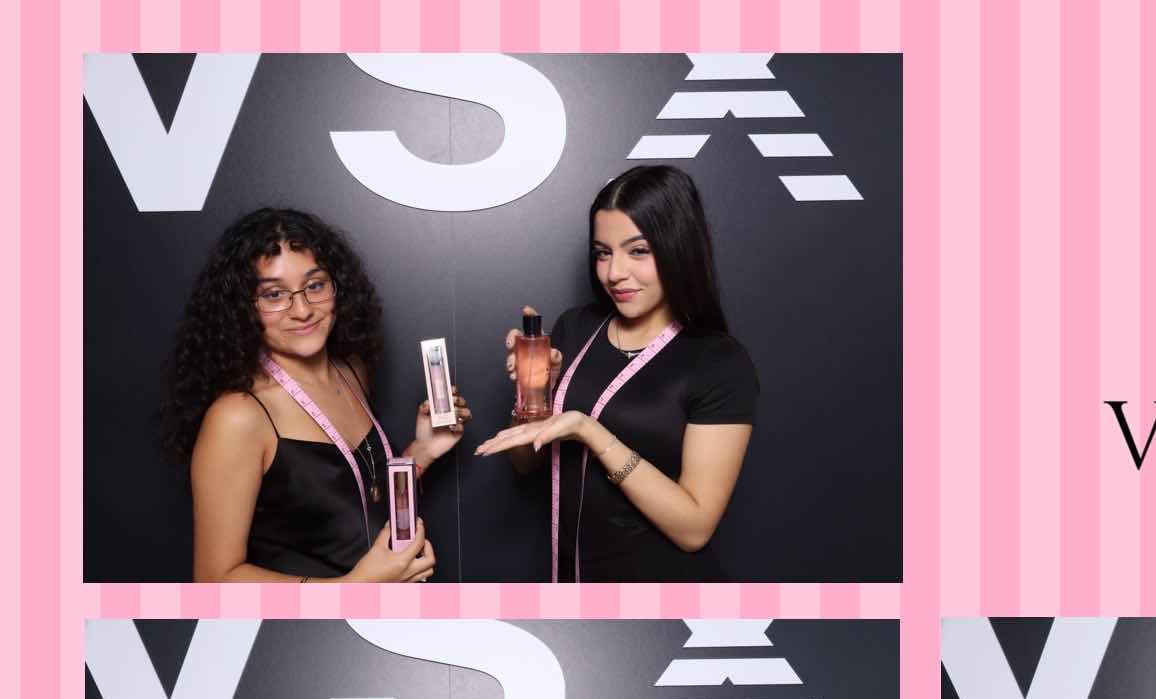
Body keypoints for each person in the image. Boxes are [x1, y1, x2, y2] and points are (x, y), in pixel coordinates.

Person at [474, 166, 757, 582]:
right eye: (603, 252)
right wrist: (531, 395)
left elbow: (694, 529)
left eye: (637, 251)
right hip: (570, 585)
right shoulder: (575, 328)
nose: (613, 273)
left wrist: (592, 433)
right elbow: (525, 464)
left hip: (662, 602)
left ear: (677, 248)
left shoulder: (718, 361)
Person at [164, 208, 469, 582]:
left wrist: (420, 454)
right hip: (304, 633)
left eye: (315, 285)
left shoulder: (351, 370)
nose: (303, 309)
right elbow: (214, 582)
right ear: (244, 309)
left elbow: (346, 500)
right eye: (274, 294)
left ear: (337, 287)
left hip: (383, 621)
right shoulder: (238, 418)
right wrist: (352, 590)